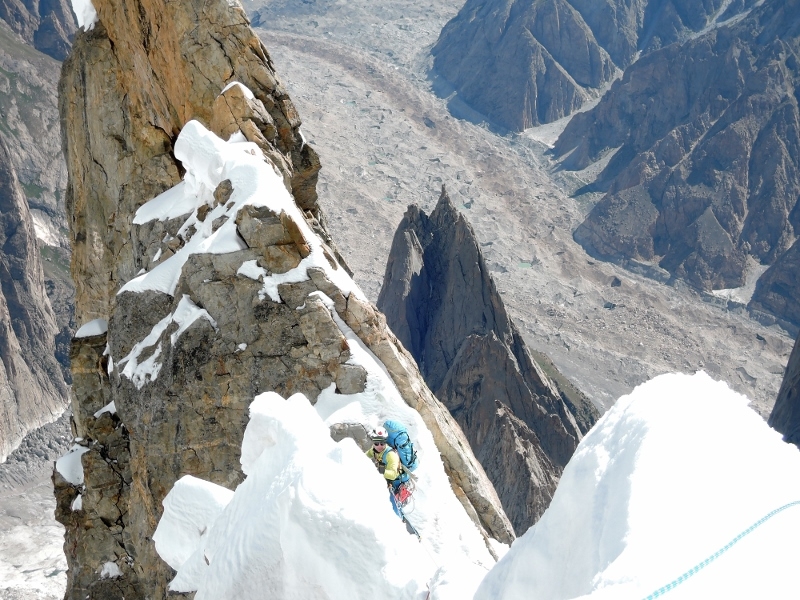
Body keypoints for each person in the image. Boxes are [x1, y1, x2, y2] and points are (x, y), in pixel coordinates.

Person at [366, 427, 404, 517]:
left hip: (394, 482)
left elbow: (393, 475)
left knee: (394, 507)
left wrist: (381, 471)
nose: (379, 446)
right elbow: (365, 456)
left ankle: (400, 520)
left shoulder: (391, 455)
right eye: (376, 443)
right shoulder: (374, 450)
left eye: (382, 443)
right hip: (385, 479)